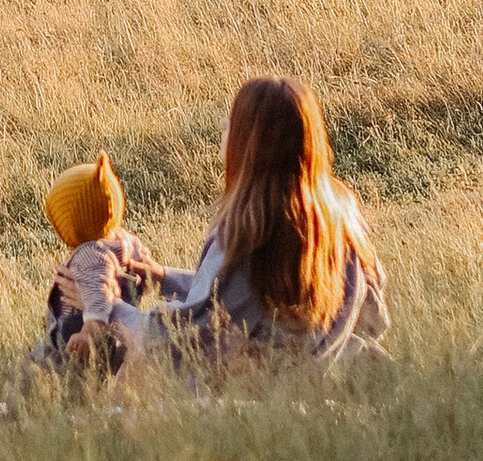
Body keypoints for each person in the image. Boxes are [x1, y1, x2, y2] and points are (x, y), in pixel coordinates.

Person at [157, 76, 387, 368]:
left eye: (233, 119)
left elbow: (195, 333)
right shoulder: (343, 221)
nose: (223, 124)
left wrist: (110, 312)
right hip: (330, 390)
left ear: (250, 143)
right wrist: (162, 277)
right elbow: (375, 321)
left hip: (258, 400)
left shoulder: (248, 235)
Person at [38, 149, 166, 368]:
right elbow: (140, 270)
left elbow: (99, 293)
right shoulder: (125, 241)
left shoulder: (90, 254)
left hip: (78, 335)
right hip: (119, 333)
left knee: (41, 368)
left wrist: (89, 331)